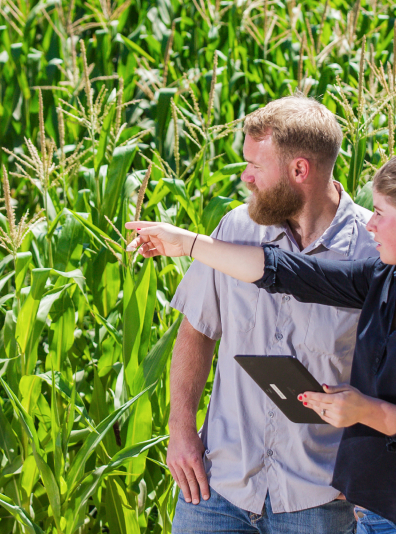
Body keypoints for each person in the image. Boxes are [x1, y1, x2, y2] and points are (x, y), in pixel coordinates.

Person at [126, 150, 396, 534]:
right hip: (376, 515)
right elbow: (292, 272)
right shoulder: (387, 282)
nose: (370, 225)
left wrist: (362, 410)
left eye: (379, 212)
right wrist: (189, 244)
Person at [162, 95, 378, 534]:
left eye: (256, 167)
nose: (245, 177)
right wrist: (181, 429)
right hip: (216, 488)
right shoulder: (235, 232)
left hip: (318, 498)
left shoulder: (373, 252)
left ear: (299, 171)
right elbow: (196, 332)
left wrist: (365, 465)